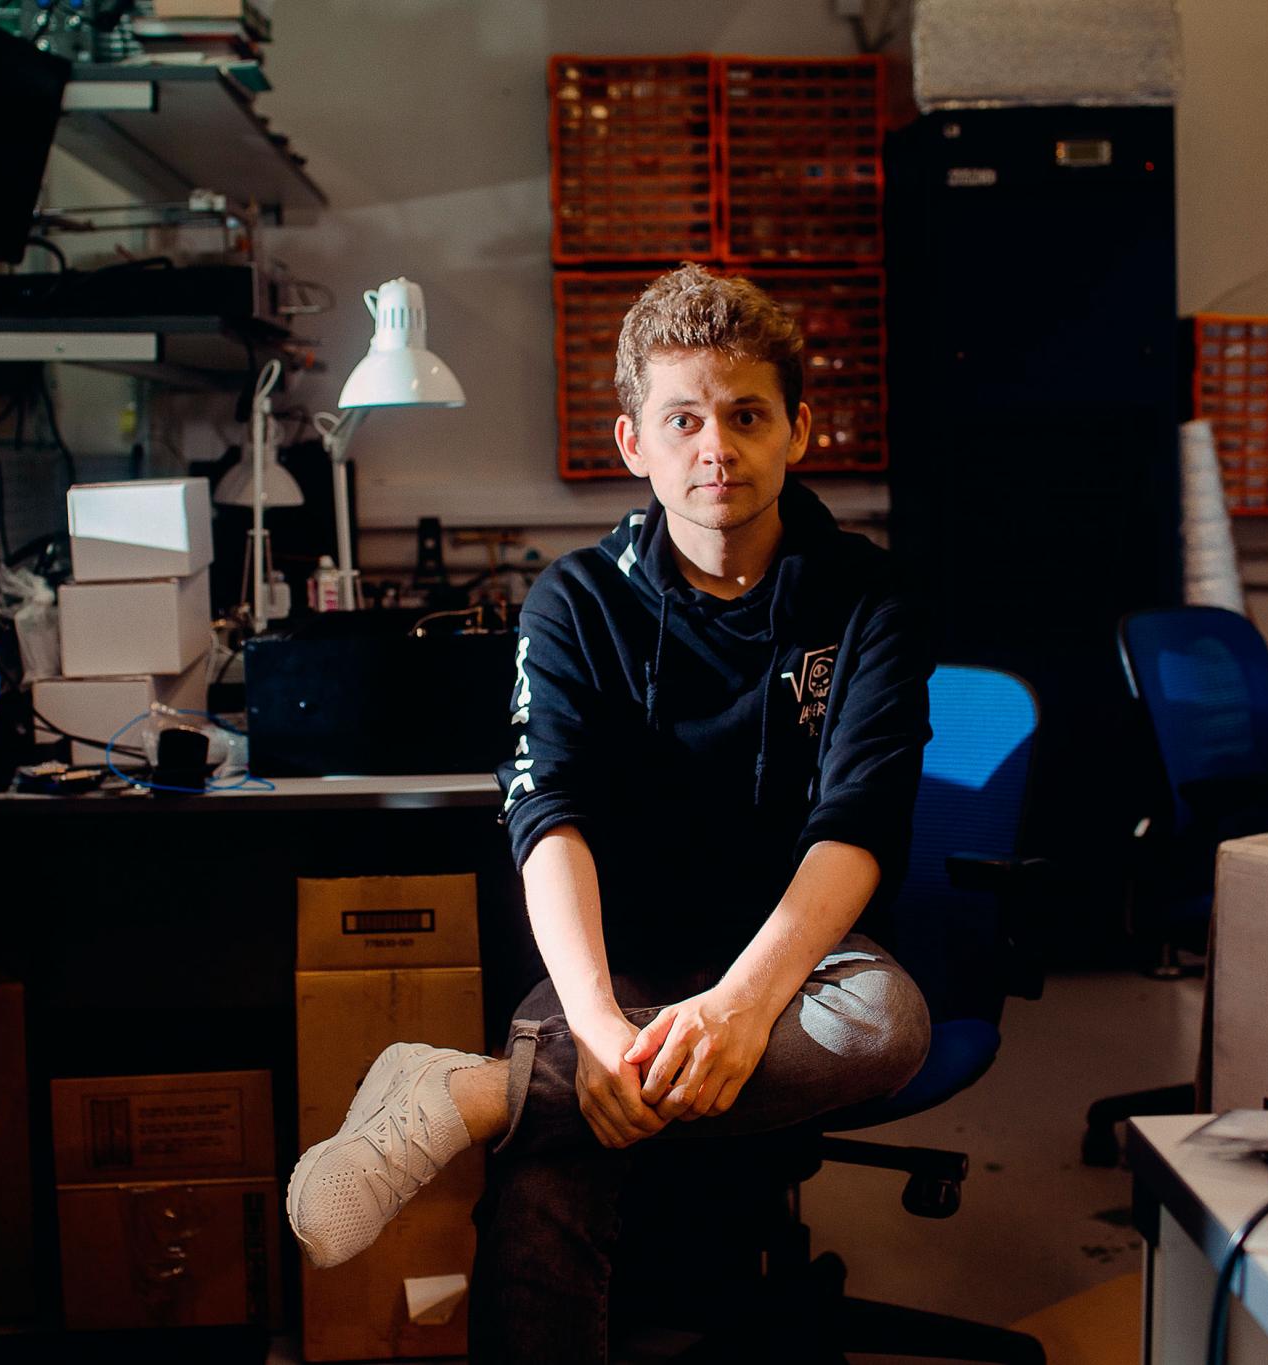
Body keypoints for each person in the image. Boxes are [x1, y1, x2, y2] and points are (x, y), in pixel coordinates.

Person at [286, 264, 932, 1362]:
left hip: (789, 962)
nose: (715, 448)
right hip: (618, 954)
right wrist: (591, 1027)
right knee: (553, 1171)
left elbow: (858, 824)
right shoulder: (575, 599)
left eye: (746, 416)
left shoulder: (869, 598)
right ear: (634, 442)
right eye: (683, 419)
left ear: (797, 432)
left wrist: (736, 1007)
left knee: (887, 1025)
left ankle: (472, 1095)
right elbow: (550, 818)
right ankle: (545, 1091)